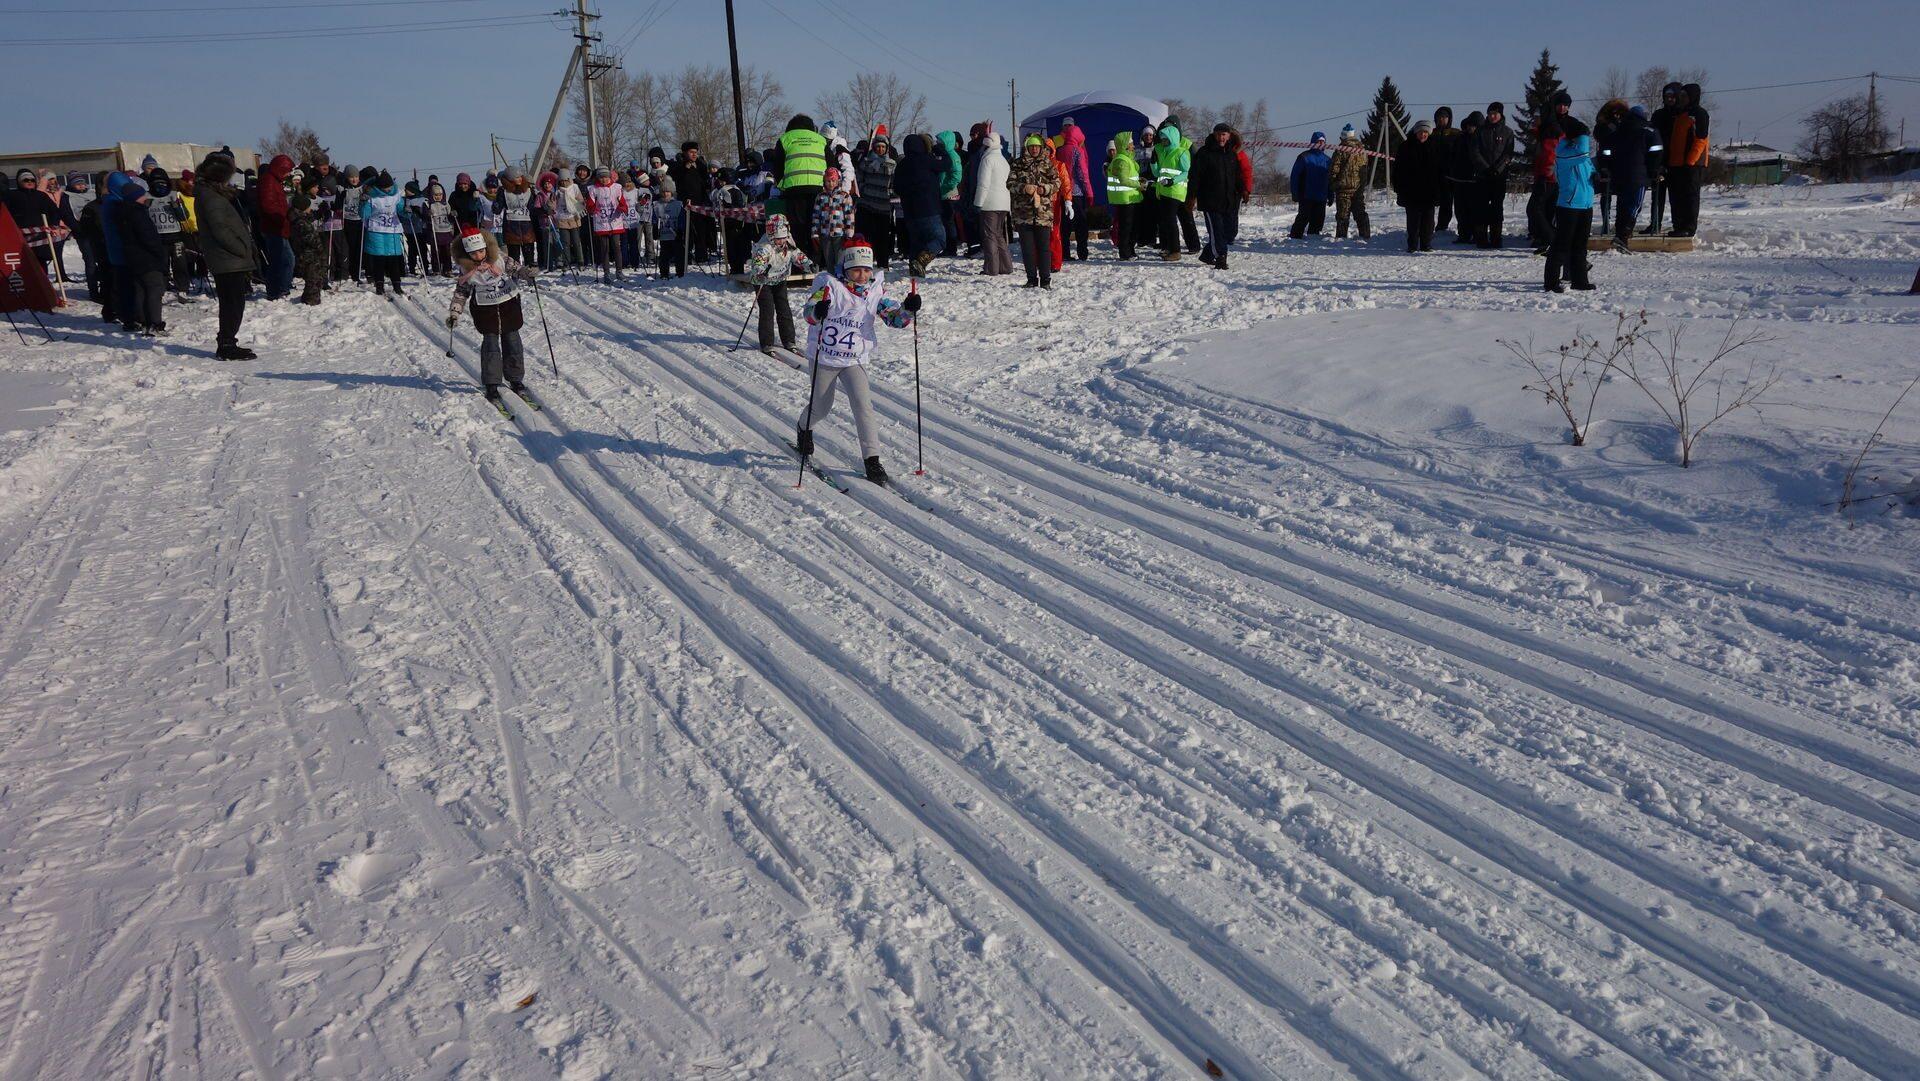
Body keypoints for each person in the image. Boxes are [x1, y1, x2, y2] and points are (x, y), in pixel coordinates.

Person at [796, 235, 919, 485]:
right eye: (856, 271)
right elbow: (809, 312)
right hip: (826, 358)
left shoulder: (875, 292)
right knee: (821, 406)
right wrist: (817, 311)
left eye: (866, 270)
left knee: (864, 407)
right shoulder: (829, 286)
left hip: (854, 359)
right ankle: (803, 427)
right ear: (845, 269)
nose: (862, 276)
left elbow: (895, 319)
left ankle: (872, 460)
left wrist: (908, 308)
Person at [448, 227, 540, 410]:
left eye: (481, 250)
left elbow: (517, 268)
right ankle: (491, 383)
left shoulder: (499, 257)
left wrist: (527, 273)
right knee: (490, 346)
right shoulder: (466, 269)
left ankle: (515, 379)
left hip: (508, 305)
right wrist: (455, 312)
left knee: (513, 342)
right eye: (473, 253)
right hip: (485, 312)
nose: (478, 255)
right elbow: (461, 292)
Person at [192, 153, 257, 359]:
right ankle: (226, 345)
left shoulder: (211, 193)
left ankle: (228, 342)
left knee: (234, 302)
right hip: (227, 259)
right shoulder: (210, 197)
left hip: (228, 259)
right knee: (232, 303)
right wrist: (241, 248)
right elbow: (220, 230)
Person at [747, 213, 815, 354]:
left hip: (779, 280)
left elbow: (798, 255)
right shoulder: (764, 247)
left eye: (784, 237)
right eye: (778, 239)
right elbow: (757, 264)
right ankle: (766, 342)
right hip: (763, 282)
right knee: (767, 310)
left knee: (784, 309)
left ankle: (789, 340)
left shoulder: (788, 244)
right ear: (771, 236)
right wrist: (761, 271)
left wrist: (809, 264)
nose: (781, 241)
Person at [1544, 116, 1596, 293]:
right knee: (1561, 245)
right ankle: (1550, 282)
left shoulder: (1576, 150)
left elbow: (1588, 165)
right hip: (1568, 205)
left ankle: (1579, 280)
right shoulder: (1564, 151)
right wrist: (1583, 133)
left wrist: (1596, 174)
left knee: (1580, 246)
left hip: (1585, 205)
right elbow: (1583, 153)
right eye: (1582, 135)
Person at [113, 174, 169, 336]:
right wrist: (159, 253)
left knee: (141, 290)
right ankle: (155, 323)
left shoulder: (123, 212)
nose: (145, 197)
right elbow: (148, 237)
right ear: (135, 197)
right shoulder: (137, 213)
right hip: (147, 258)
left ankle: (144, 322)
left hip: (134, 258)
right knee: (154, 289)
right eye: (142, 194)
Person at [1596, 100, 1654, 251]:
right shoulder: (1607, 126)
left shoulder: (1623, 127)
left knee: (1623, 203)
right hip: (1621, 169)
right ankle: (1616, 230)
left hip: (1620, 169)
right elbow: (1604, 144)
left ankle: (1619, 232)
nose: (1618, 116)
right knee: (1623, 202)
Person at [1191, 123, 1247, 268]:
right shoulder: (1204, 153)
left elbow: (1238, 175)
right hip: (1210, 200)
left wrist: (1244, 190)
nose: (1221, 138)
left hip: (1229, 199)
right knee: (1216, 231)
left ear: (1229, 136)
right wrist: (1192, 196)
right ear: (1214, 135)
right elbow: (1195, 176)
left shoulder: (1231, 154)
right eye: (1218, 134)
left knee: (1229, 232)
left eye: (1223, 135)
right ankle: (1221, 257)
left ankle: (1208, 254)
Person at [1009, 134, 1062, 287]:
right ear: (1026, 147)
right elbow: (1010, 183)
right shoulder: (1018, 164)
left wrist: (1044, 189)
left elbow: (1056, 182)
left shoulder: (1048, 164)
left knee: (1044, 249)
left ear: (1041, 148)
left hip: (1043, 213)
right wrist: (1024, 188)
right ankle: (1031, 279)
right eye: (1031, 146)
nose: (1034, 149)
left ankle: (1046, 280)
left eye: (1037, 146)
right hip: (1023, 214)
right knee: (1027, 249)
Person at [774, 114, 827, 260]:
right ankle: (818, 259)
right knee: (816, 226)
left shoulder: (785, 139)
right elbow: (831, 163)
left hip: (794, 190)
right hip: (819, 189)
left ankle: (800, 262)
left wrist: (782, 186)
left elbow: (777, 166)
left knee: (797, 228)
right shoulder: (821, 140)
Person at [895, 134, 946, 277]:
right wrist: (940, 151)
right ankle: (920, 261)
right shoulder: (927, 160)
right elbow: (947, 165)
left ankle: (915, 270)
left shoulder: (901, 164)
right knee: (939, 240)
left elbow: (896, 188)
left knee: (916, 242)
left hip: (909, 211)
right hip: (929, 209)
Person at [1469, 102, 1515, 248]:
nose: (1492, 116)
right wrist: (1486, 168)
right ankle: (1481, 239)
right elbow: (1474, 152)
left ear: (1500, 114)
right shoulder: (1480, 131)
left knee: (1497, 208)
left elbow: (1508, 154)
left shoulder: (1508, 132)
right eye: (1490, 113)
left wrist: (1498, 169)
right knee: (1480, 208)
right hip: (1482, 176)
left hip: (1499, 177)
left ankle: (1496, 239)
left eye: (1495, 113)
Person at [1393, 120, 1443, 252]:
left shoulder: (1435, 146)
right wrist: (1398, 187)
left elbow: (1440, 170)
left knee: (1428, 221)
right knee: (1413, 221)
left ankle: (1426, 244)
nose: (1423, 135)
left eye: (1426, 132)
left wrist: (1440, 190)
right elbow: (1398, 170)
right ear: (1416, 132)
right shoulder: (1405, 147)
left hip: (1429, 191)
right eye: (1421, 132)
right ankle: (1412, 245)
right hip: (1411, 191)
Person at [1667, 83, 1709, 237]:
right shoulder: (1680, 114)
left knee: (1690, 196)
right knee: (1677, 196)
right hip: (1676, 163)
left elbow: (1701, 138)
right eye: (1681, 96)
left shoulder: (1699, 113)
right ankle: (1678, 226)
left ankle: (1689, 227)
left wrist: (1691, 160)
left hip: (1692, 164)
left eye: (1685, 96)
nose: (1682, 99)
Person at [854, 129, 898, 267]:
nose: (880, 149)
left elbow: (894, 183)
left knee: (883, 237)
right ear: (873, 147)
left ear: (886, 148)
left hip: (884, 206)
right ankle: (862, 262)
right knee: (864, 235)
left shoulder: (892, 164)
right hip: (866, 204)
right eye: (878, 146)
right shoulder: (866, 162)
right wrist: (863, 190)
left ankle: (883, 264)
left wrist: (891, 192)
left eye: (883, 147)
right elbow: (858, 179)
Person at [361, 170, 407, 295]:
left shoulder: (396, 195)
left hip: (392, 230)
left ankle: (397, 285)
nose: (388, 189)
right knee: (379, 260)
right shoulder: (372, 197)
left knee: (393, 260)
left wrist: (406, 211)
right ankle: (379, 285)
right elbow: (364, 214)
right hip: (377, 230)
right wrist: (363, 203)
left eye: (389, 187)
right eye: (385, 187)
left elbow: (401, 210)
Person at [1151, 117, 1191, 261]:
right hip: (1163, 191)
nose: (1164, 141)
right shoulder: (1163, 152)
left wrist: (1172, 181)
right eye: (1162, 139)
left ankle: (1176, 251)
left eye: (1166, 139)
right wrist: (1153, 163)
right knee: (1165, 222)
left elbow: (1186, 172)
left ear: (1173, 137)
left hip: (1175, 192)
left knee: (1170, 221)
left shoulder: (1181, 152)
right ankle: (1169, 248)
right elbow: (1157, 174)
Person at [255, 154, 295, 298]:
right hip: (274, 227)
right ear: (280, 168)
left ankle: (282, 287)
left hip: (279, 226)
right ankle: (276, 290)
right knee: (281, 261)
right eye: (287, 171)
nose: (288, 174)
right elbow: (268, 206)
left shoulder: (275, 181)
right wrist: (284, 216)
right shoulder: (269, 181)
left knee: (286, 259)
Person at [973, 131, 1013, 275]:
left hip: (990, 203)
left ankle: (991, 268)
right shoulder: (1003, 160)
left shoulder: (987, 159)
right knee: (998, 235)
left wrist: (978, 203)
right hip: (1003, 203)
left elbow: (983, 184)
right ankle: (1006, 266)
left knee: (989, 235)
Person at [1057, 117, 1095, 261]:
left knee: (1064, 225)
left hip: (1062, 192)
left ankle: (1065, 252)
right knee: (1081, 224)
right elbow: (1083, 175)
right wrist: (1089, 193)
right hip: (1077, 193)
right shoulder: (1078, 151)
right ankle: (1082, 252)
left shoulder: (1059, 150)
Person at [811, 166, 857, 276]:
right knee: (829, 261)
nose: (831, 184)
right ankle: (832, 280)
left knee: (840, 260)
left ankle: (842, 279)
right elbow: (816, 216)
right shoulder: (821, 197)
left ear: (838, 181)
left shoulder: (844, 196)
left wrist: (849, 234)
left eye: (833, 181)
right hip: (825, 234)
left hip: (840, 234)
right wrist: (815, 233)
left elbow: (849, 217)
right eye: (828, 181)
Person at [585, 166, 627, 283]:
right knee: (604, 249)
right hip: (601, 222)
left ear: (609, 177)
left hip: (615, 221)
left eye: (606, 177)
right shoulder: (593, 189)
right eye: (601, 177)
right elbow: (590, 204)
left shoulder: (617, 187)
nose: (604, 180)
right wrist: (592, 208)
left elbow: (622, 202)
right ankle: (606, 273)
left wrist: (622, 207)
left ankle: (619, 271)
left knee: (616, 247)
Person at [1329, 126, 1372, 241]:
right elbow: (1365, 168)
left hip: (1343, 188)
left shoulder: (1340, 150)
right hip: (1358, 188)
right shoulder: (1362, 150)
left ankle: (1341, 239)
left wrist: (1332, 183)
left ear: (1343, 136)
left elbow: (1334, 169)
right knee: (1360, 213)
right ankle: (1366, 237)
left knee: (1343, 216)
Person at [1105, 131, 1143, 260]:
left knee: (1131, 226)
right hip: (1125, 199)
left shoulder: (1125, 158)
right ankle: (1125, 253)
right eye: (1131, 143)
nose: (1133, 145)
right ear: (1126, 145)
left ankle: (1130, 251)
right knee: (1126, 227)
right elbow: (1123, 180)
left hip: (1129, 197)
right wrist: (1139, 185)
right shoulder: (1121, 160)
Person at [290, 181, 328, 305]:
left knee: (316, 276)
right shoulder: (301, 223)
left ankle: (309, 296)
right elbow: (310, 237)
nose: (310, 208)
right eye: (308, 207)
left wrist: (319, 214)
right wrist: (319, 246)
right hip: (308, 254)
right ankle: (311, 299)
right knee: (313, 277)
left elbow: (309, 220)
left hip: (309, 253)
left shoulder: (299, 218)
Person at [1288, 133, 1332, 239]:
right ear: (1313, 143)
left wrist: (1331, 195)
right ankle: (1294, 238)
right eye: (1318, 141)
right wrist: (1295, 193)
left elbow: (1330, 179)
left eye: (1323, 141)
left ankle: (1313, 240)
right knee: (1303, 218)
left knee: (1318, 221)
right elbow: (1295, 176)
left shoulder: (1328, 160)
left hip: (1321, 197)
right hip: (1306, 195)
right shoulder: (1304, 157)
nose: (1321, 143)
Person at [1449, 111, 1483, 244]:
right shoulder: (1460, 138)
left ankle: (1477, 234)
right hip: (1460, 179)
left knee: (1475, 210)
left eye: (1473, 125)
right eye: (1469, 125)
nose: (1470, 128)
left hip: (1476, 180)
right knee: (1460, 210)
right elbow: (1452, 156)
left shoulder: (1482, 139)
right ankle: (1463, 234)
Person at [1429, 108, 1460, 233]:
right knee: (1432, 200)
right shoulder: (1431, 133)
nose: (1442, 119)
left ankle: (1443, 225)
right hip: (1433, 173)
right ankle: (1428, 225)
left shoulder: (1456, 133)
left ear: (1449, 118)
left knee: (1448, 201)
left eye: (1444, 117)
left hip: (1451, 174)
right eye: (1439, 117)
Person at [935, 130, 965, 255]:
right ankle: (948, 246)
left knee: (949, 222)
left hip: (949, 194)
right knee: (945, 221)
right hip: (943, 193)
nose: (938, 144)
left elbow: (956, 176)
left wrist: (945, 187)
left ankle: (951, 248)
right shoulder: (944, 154)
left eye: (940, 142)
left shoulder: (953, 156)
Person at [500, 166, 536, 267]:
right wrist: (496, 204)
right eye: (516, 177)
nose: (520, 178)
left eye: (520, 176)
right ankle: (515, 275)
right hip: (511, 226)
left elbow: (532, 208)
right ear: (510, 179)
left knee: (529, 254)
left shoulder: (528, 190)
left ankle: (530, 274)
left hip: (526, 226)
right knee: (514, 256)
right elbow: (497, 209)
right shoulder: (503, 192)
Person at [651, 177, 686, 279]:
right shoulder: (657, 205)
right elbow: (654, 218)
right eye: (664, 192)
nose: (666, 194)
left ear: (672, 192)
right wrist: (654, 229)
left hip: (675, 234)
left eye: (668, 192)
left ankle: (680, 272)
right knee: (664, 256)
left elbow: (681, 218)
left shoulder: (678, 204)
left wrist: (680, 230)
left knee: (679, 254)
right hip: (664, 234)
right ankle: (664, 273)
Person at [551, 171, 586, 270]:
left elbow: (580, 199)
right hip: (562, 218)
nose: (563, 183)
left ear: (569, 180)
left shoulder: (574, 188)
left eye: (565, 180)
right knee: (565, 242)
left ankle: (580, 261)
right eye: (561, 181)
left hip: (573, 217)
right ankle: (567, 262)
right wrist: (550, 206)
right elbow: (553, 203)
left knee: (576, 241)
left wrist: (582, 203)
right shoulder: (557, 191)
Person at [1135, 125, 1160, 251]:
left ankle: (1151, 238)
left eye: (1150, 135)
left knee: (1152, 213)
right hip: (1140, 184)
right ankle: (1141, 238)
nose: (1148, 137)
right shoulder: (1136, 150)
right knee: (1141, 212)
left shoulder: (1156, 149)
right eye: (1146, 135)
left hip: (1153, 184)